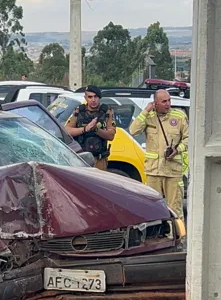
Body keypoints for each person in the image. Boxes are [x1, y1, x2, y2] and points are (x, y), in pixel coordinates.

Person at [129, 89, 189, 223]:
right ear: (155, 103)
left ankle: (177, 238)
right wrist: (145, 111)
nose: (168, 104)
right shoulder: (148, 117)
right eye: (164, 101)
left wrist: (177, 149)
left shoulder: (178, 117)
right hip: (153, 171)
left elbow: (188, 138)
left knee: (175, 208)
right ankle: (156, 237)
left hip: (173, 170)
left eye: (169, 100)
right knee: (152, 207)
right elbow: (133, 130)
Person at [64, 85, 116, 170]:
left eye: (96, 97)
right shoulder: (79, 111)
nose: (93, 100)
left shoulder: (107, 112)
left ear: (99, 98)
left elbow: (111, 135)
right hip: (81, 159)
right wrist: (85, 129)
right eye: (90, 97)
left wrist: (96, 129)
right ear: (85, 97)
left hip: (99, 160)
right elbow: (67, 130)